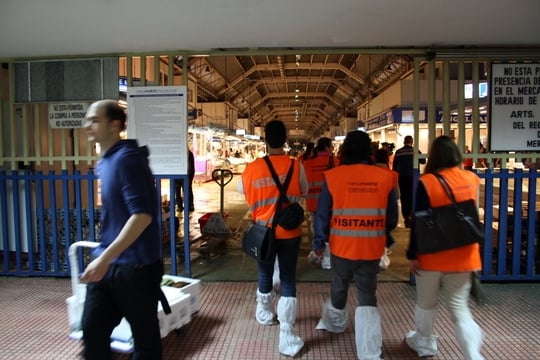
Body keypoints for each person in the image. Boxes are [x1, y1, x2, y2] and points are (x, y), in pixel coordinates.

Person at [81, 100, 164, 359]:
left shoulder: (127, 160)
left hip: (136, 268)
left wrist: (104, 259)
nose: (87, 126)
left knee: (145, 342)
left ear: (114, 124)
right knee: (92, 330)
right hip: (111, 264)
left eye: (94, 120)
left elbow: (142, 216)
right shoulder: (104, 162)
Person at [312, 130, 398, 360]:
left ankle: (336, 324)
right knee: (367, 293)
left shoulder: (333, 176)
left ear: (345, 150)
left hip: (342, 247)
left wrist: (319, 243)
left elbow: (322, 215)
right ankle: (369, 351)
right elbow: (392, 217)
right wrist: (383, 235)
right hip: (371, 247)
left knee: (340, 285)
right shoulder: (387, 177)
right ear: (368, 151)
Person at [405, 135, 484, 359]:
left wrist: (412, 255)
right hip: (464, 255)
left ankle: (425, 344)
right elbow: (472, 214)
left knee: (426, 304)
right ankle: (472, 354)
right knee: (460, 308)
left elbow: (418, 222)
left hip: (431, 255)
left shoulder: (427, 181)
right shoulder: (472, 178)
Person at [240, 119, 308, 357]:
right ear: (286, 140)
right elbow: (305, 191)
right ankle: (287, 334)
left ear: (265, 140)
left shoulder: (251, 169)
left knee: (264, 272)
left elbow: (247, 197)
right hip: (290, 232)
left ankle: (266, 314)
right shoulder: (296, 165)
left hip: (263, 232)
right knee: (288, 278)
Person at [304, 137, 335, 270]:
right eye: (331, 146)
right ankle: (327, 259)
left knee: (318, 228)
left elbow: (303, 185)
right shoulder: (335, 162)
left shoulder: (307, 164)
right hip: (333, 203)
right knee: (331, 231)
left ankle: (318, 251)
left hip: (314, 202)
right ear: (327, 148)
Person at [392, 135, 426, 228]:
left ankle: (406, 215)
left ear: (404, 142)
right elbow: (423, 161)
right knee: (412, 195)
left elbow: (394, 167)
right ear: (412, 142)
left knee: (404, 196)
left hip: (402, 177)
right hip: (413, 177)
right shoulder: (415, 150)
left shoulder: (398, 152)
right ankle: (412, 214)